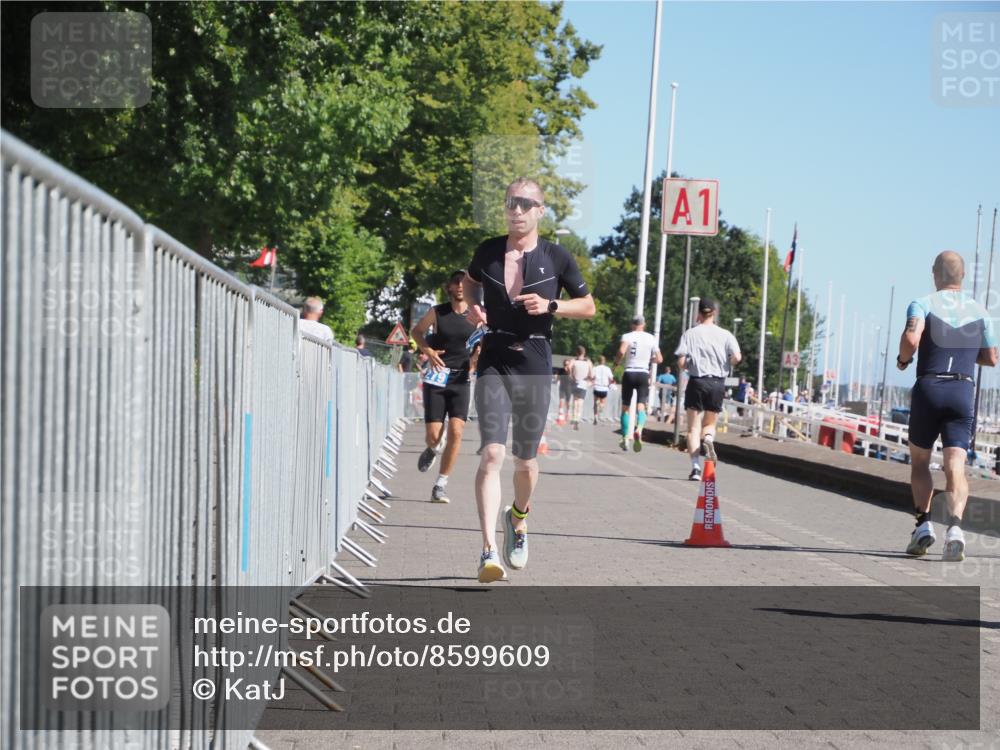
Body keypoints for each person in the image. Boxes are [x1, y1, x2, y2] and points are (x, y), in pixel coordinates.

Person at [463, 177, 596, 583]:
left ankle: (518, 518)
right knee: (492, 454)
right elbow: (469, 280)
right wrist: (473, 306)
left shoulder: (557, 256)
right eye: (510, 203)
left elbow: (588, 306)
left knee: (526, 460)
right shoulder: (488, 250)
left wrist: (551, 305)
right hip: (494, 356)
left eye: (525, 203)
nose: (516, 210)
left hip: (535, 358)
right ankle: (488, 551)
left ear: (540, 210)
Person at [897, 250, 997, 562]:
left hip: (930, 387)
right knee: (955, 465)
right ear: (962, 276)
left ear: (934, 274)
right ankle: (955, 529)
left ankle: (923, 524)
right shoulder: (981, 312)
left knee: (920, 462)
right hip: (962, 390)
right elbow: (991, 358)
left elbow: (911, 339)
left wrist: (903, 360)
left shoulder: (922, 304)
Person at [411, 271, 480, 503]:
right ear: (449, 287)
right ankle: (433, 448)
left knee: (457, 431)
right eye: (456, 283)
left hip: (461, 379)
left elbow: (484, 340)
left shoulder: (476, 314)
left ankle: (440, 485)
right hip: (437, 377)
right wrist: (428, 351)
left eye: (464, 284)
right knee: (433, 437)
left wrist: (478, 355)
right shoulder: (438, 312)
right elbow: (416, 332)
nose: (460, 287)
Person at [675, 298, 742, 481]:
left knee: (693, 428)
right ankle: (709, 440)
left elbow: (681, 362)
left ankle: (696, 468)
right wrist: (728, 363)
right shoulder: (726, 334)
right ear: (714, 313)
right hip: (717, 383)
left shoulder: (690, 334)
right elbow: (737, 357)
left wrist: (688, 366)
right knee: (709, 425)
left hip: (697, 381)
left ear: (699, 313)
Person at [614, 316, 663, 452]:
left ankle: (625, 438)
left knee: (625, 408)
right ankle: (639, 429)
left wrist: (616, 363)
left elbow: (621, 351)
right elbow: (660, 359)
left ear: (632, 325)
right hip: (643, 373)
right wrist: (649, 360)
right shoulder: (651, 338)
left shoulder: (627, 336)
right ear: (644, 324)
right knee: (641, 406)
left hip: (629, 372)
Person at [569, 345, 593, 430]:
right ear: (584, 352)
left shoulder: (574, 360)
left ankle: (574, 417)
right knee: (580, 403)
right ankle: (577, 419)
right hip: (583, 383)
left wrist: (572, 375)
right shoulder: (588, 362)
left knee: (575, 401)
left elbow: (568, 367)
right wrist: (588, 378)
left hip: (575, 382)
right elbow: (591, 374)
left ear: (576, 352)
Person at [592, 355, 614, 423]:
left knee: (595, 403)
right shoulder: (607, 369)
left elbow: (592, 376)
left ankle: (595, 417)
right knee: (603, 402)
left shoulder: (595, 368)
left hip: (597, 387)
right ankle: (601, 405)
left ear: (598, 361)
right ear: (604, 361)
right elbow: (611, 378)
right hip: (604, 388)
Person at [556, 358, 574, 424]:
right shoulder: (561, 370)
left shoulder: (571, 370)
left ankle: (568, 413)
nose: (566, 366)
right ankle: (561, 415)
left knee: (568, 402)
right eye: (565, 364)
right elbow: (557, 378)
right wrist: (557, 378)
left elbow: (573, 378)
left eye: (567, 364)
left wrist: (569, 371)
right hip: (562, 387)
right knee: (561, 400)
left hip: (569, 387)